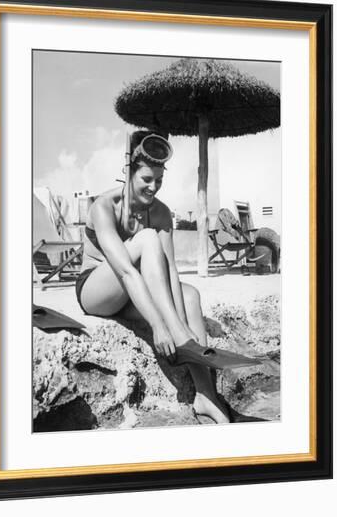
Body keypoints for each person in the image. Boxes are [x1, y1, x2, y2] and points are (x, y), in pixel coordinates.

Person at [75, 130, 230, 424]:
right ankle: (186, 341)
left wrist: (181, 321)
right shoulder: (104, 207)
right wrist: (161, 325)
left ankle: (206, 396)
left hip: (135, 291)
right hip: (97, 290)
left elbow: (170, 270)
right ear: (128, 171)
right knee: (147, 239)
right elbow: (124, 270)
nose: (153, 187)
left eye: (159, 180)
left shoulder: (160, 212)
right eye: (147, 179)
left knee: (191, 294)